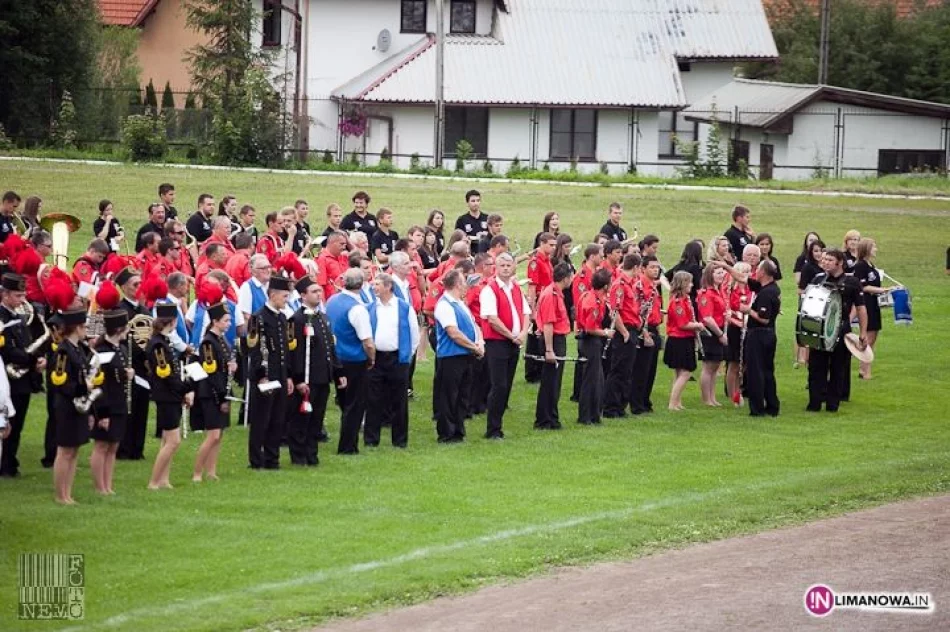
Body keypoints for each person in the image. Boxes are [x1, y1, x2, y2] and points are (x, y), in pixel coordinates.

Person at [806, 249, 868, 412]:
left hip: (841, 329)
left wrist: (862, 333)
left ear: (840, 263)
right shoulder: (817, 279)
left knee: (838, 367)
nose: (825, 262)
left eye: (829, 260)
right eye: (824, 259)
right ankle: (814, 403)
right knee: (816, 367)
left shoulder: (852, 282)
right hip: (819, 329)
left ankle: (833, 404)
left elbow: (861, 309)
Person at [289, 278, 342, 464]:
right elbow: (295, 353)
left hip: (322, 376)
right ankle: (298, 455)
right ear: (303, 295)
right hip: (307, 377)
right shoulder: (297, 319)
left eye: (319, 291)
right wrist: (298, 379)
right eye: (314, 291)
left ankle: (312, 454)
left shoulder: (322, 318)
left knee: (317, 418)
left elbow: (330, 347)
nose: (318, 294)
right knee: (302, 418)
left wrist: (337, 372)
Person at [365, 272, 419, 448]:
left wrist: (406, 356)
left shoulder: (404, 308)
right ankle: (371, 439)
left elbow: (414, 334)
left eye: (377, 284)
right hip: (376, 358)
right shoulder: (371, 307)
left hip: (397, 358)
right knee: (373, 399)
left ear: (388, 287)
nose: (374, 287)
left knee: (399, 400)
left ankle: (400, 440)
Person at [480, 252, 531, 439]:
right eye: (502, 265)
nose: (506, 268)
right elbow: (492, 319)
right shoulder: (490, 289)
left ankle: (497, 423)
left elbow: (526, 313)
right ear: (496, 267)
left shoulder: (516, 288)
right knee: (499, 385)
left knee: (507, 385)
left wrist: (524, 333)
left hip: (513, 342)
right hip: (497, 343)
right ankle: (493, 428)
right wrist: (512, 336)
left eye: (509, 265)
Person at [0, 273, 46, 477]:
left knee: (18, 425)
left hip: (24, 378)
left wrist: (39, 360)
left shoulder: (19, 317)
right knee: (7, 423)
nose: (22, 300)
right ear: (5, 294)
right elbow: (7, 351)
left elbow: (27, 343)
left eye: (22, 295)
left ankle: (11, 461)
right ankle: (5, 463)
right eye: (18, 295)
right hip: (8, 378)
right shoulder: (2, 319)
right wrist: (32, 359)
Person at [326, 269, 376, 454]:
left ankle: (347, 442)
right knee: (355, 405)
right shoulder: (357, 308)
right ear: (362, 284)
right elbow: (367, 341)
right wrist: (371, 358)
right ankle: (348, 446)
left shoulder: (332, 300)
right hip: (354, 360)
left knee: (344, 401)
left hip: (336, 358)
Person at [245, 275, 293, 468]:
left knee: (277, 418)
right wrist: (261, 376)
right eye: (284, 295)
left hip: (280, 374)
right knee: (261, 419)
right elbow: (254, 349)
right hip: (264, 376)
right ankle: (256, 459)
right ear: (272, 295)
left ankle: (272, 458)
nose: (286, 299)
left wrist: (288, 375)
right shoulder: (258, 318)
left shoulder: (282, 317)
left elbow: (285, 349)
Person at [146, 304, 195, 489]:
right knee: (173, 441)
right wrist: (186, 388)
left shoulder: (163, 341)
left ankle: (164, 479)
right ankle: (154, 481)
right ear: (172, 322)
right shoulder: (159, 345)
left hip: (170, 394)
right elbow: (166, 374)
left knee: (167, 440)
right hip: (166, 395)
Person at [50, 307, 94, 504]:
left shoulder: (78, 349)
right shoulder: (63, 351)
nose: (86, 330)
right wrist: (84, 386)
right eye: (84, 326)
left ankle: (68, 492)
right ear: (76, 327)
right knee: (65, 450)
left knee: (74, 450)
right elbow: (60, 382)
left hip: (79, 404)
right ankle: (61, 495)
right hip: (67, 405)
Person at [434, 269, 484, 443]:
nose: (466, 286)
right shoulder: (444, 305)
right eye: (463, 282)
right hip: (451, 357)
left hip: (465, 355)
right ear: (456, 285)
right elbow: (453, 333)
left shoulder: (459, 303)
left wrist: (479, 341)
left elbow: (473, 324)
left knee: (462, 395)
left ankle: (458, 429)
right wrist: (474, 347)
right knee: (449, 396)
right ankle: (446, 433)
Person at [191, 297, 236, 481]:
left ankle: (211, 471)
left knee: (219, 436)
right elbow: (211, 372)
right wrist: (222, 396)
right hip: (211, 393)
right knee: (213, 434)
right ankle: (197, 472)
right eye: (226, 320)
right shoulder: (208, 342)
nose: (229, 323)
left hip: (222, 390)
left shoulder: (222, 340)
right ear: (215, 322)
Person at [89, 309, 132, 494]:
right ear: (119, 329)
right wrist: (102, 413)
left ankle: (108, 485)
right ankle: (100, 486)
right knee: (102, 445)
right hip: (106, 404)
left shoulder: (121, 348)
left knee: (113, 445)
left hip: (120, 402)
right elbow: (100, 383)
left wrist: (126, 375)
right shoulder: (101, 351)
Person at [115, 267, 152, 461]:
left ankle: (138, 447)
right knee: (127, 407)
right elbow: (123, 339)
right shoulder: (120, 309)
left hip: (143, 367)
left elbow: (149, 335)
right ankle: (124, 447)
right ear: (123, 287)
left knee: (142, 407)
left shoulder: (144, 310)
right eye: (134, 284)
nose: (139, 287)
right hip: (128, 364)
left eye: (140, 283)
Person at [533, 262, 573, 430]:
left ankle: (550, 416)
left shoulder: (556, 293)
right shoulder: (551, 295)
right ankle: (546, 419)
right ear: (565, 278)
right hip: (553, 341)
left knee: (554, 381)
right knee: (551, 381)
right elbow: (549, 323)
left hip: (556, 339)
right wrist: (549, 349)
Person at [741, 260, 781, 417]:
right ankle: (772, 405)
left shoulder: (765, 294)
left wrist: (748, 310)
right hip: (769, 335)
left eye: (757, 269)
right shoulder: (770, 288)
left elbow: (764, 318)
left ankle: (757, 408)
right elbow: (742, 278)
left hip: (759, 334)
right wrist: (725, 266)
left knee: (755, 372)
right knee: (767, 371)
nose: (755, 271)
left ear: (763, 272)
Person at [603, 254, 641, 418]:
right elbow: (615, 311)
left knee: (627, 370)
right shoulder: (620, 285)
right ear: (635, 267)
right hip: (624, 331)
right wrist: (624, 332)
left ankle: (620, 406)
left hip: (632, 328)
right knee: (618, 369)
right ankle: (611, 407)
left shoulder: (630, 284)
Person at [852, 238, 894, 380]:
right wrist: (884, 289)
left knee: (873, 337)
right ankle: (865, 372)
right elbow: (863, 286)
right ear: (866, 249)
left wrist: (884, 292)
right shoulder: (860, 266)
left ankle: (863, 369)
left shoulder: (871, 265)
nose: (876, 249)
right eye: (873, 246)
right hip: (866, 303)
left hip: (874, 303)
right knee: (867, 338)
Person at [576, 269, 614, 424]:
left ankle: (594, 414)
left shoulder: (596, 298)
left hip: (591, 341)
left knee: (597, 379)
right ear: (605, 286)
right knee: (591, 380)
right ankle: (586, 416)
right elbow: (590, 328)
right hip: (590, 341)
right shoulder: (592, 302)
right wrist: (606, 333)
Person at [664, 271, 704, 411]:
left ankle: (677, 402)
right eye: (690, 282)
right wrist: (698, 325)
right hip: (679, 339)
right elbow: (682, 324)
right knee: (686, 372)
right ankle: (672, 403)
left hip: (684, 339)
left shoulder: (685, 299)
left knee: (680, 372)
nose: (692, 285)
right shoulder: (678, 302)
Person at [630, 256, 662, 415]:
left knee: (651, 370)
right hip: (644, 329)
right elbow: (636, 312)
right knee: (641, 370)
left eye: (657, 267)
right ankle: (636, 403)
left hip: (654, 328)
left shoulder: (654, 286)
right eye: (652, 267)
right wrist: (643, 331)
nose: (656, 270)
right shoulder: (640, 287)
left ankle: (645, 400)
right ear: (643, 268)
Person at [570, 244, 603, 402]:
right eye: (600, 254)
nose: (602, 257)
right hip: (585, 324)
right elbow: (579, 302)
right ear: (592, 256)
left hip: (593, 321)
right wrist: (578, 324)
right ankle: (578, 393)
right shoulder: (582, 276)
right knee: (583, 359)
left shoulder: (595, 273)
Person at [696, 264, 729, 407]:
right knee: (709, 366)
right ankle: (706, 398)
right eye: (717, 273)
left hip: (719, 328)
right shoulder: (706, 294)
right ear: (710, 275)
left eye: (722, 273)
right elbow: (707, 318)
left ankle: (712, 397)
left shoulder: (719, 291)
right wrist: (720, 334)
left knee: (715, 366)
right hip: (710, 332)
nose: (721, 276)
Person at [525, 232, 556, 383]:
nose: (553, 248)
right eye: (551, 245)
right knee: (534, 337)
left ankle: (539, 367)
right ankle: (531, 371)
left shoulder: (547, 260)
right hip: (538, 300)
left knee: (541, 335)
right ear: (542, 243)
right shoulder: (536, 262)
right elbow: (532, 286)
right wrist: (532, 309)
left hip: (545, 299)